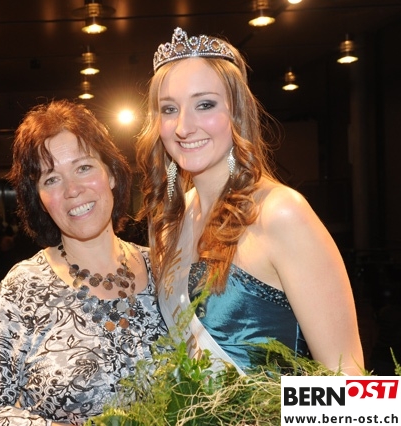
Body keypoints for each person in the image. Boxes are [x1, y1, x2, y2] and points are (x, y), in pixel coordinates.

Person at [136, 27, 363, 375]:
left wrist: (267, 407)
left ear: (237, 113)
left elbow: (354, 387)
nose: (183, 126)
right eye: (169, 109)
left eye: (205, 104)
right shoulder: (170, 225)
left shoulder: (281, 213)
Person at [0, 99, 168, 425]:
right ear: (40, 200)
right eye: (51, 179)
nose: (72, 190)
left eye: (83, 168)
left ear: (111, 174)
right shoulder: (24, 288)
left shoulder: (164, 270)